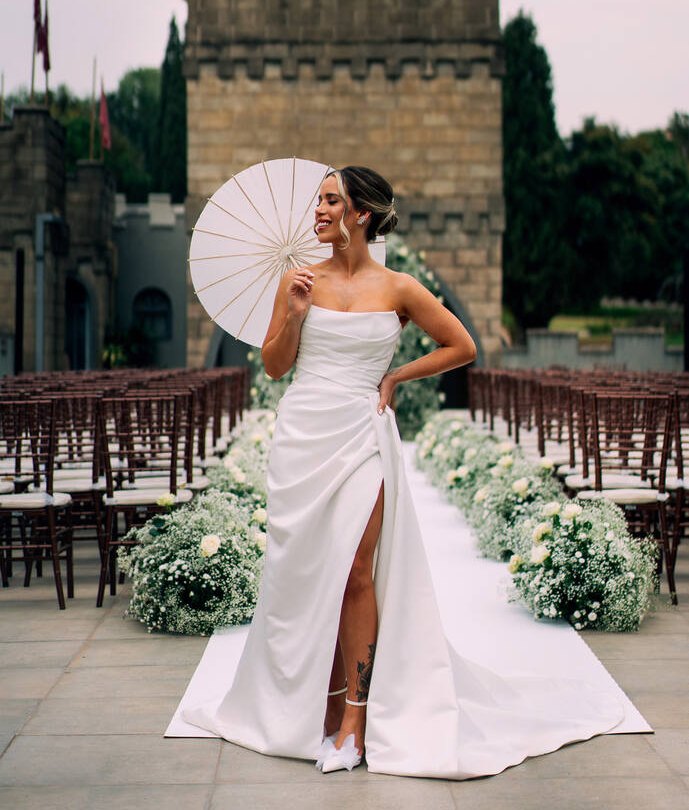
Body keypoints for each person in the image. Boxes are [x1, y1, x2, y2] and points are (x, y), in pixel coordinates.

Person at [179, 164, 622, 778]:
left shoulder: (400, 288)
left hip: (362, 434)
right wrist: (298, 312)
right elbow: (277, 368)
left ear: (360, 213)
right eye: (319, 201)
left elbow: (461, 346)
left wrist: (395, 376)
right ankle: (321, 710)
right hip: (303, 435)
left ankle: (356, 724)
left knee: (358, 571)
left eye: (331, 200)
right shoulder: (295, 281)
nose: (320, 211)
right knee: (310, 577)